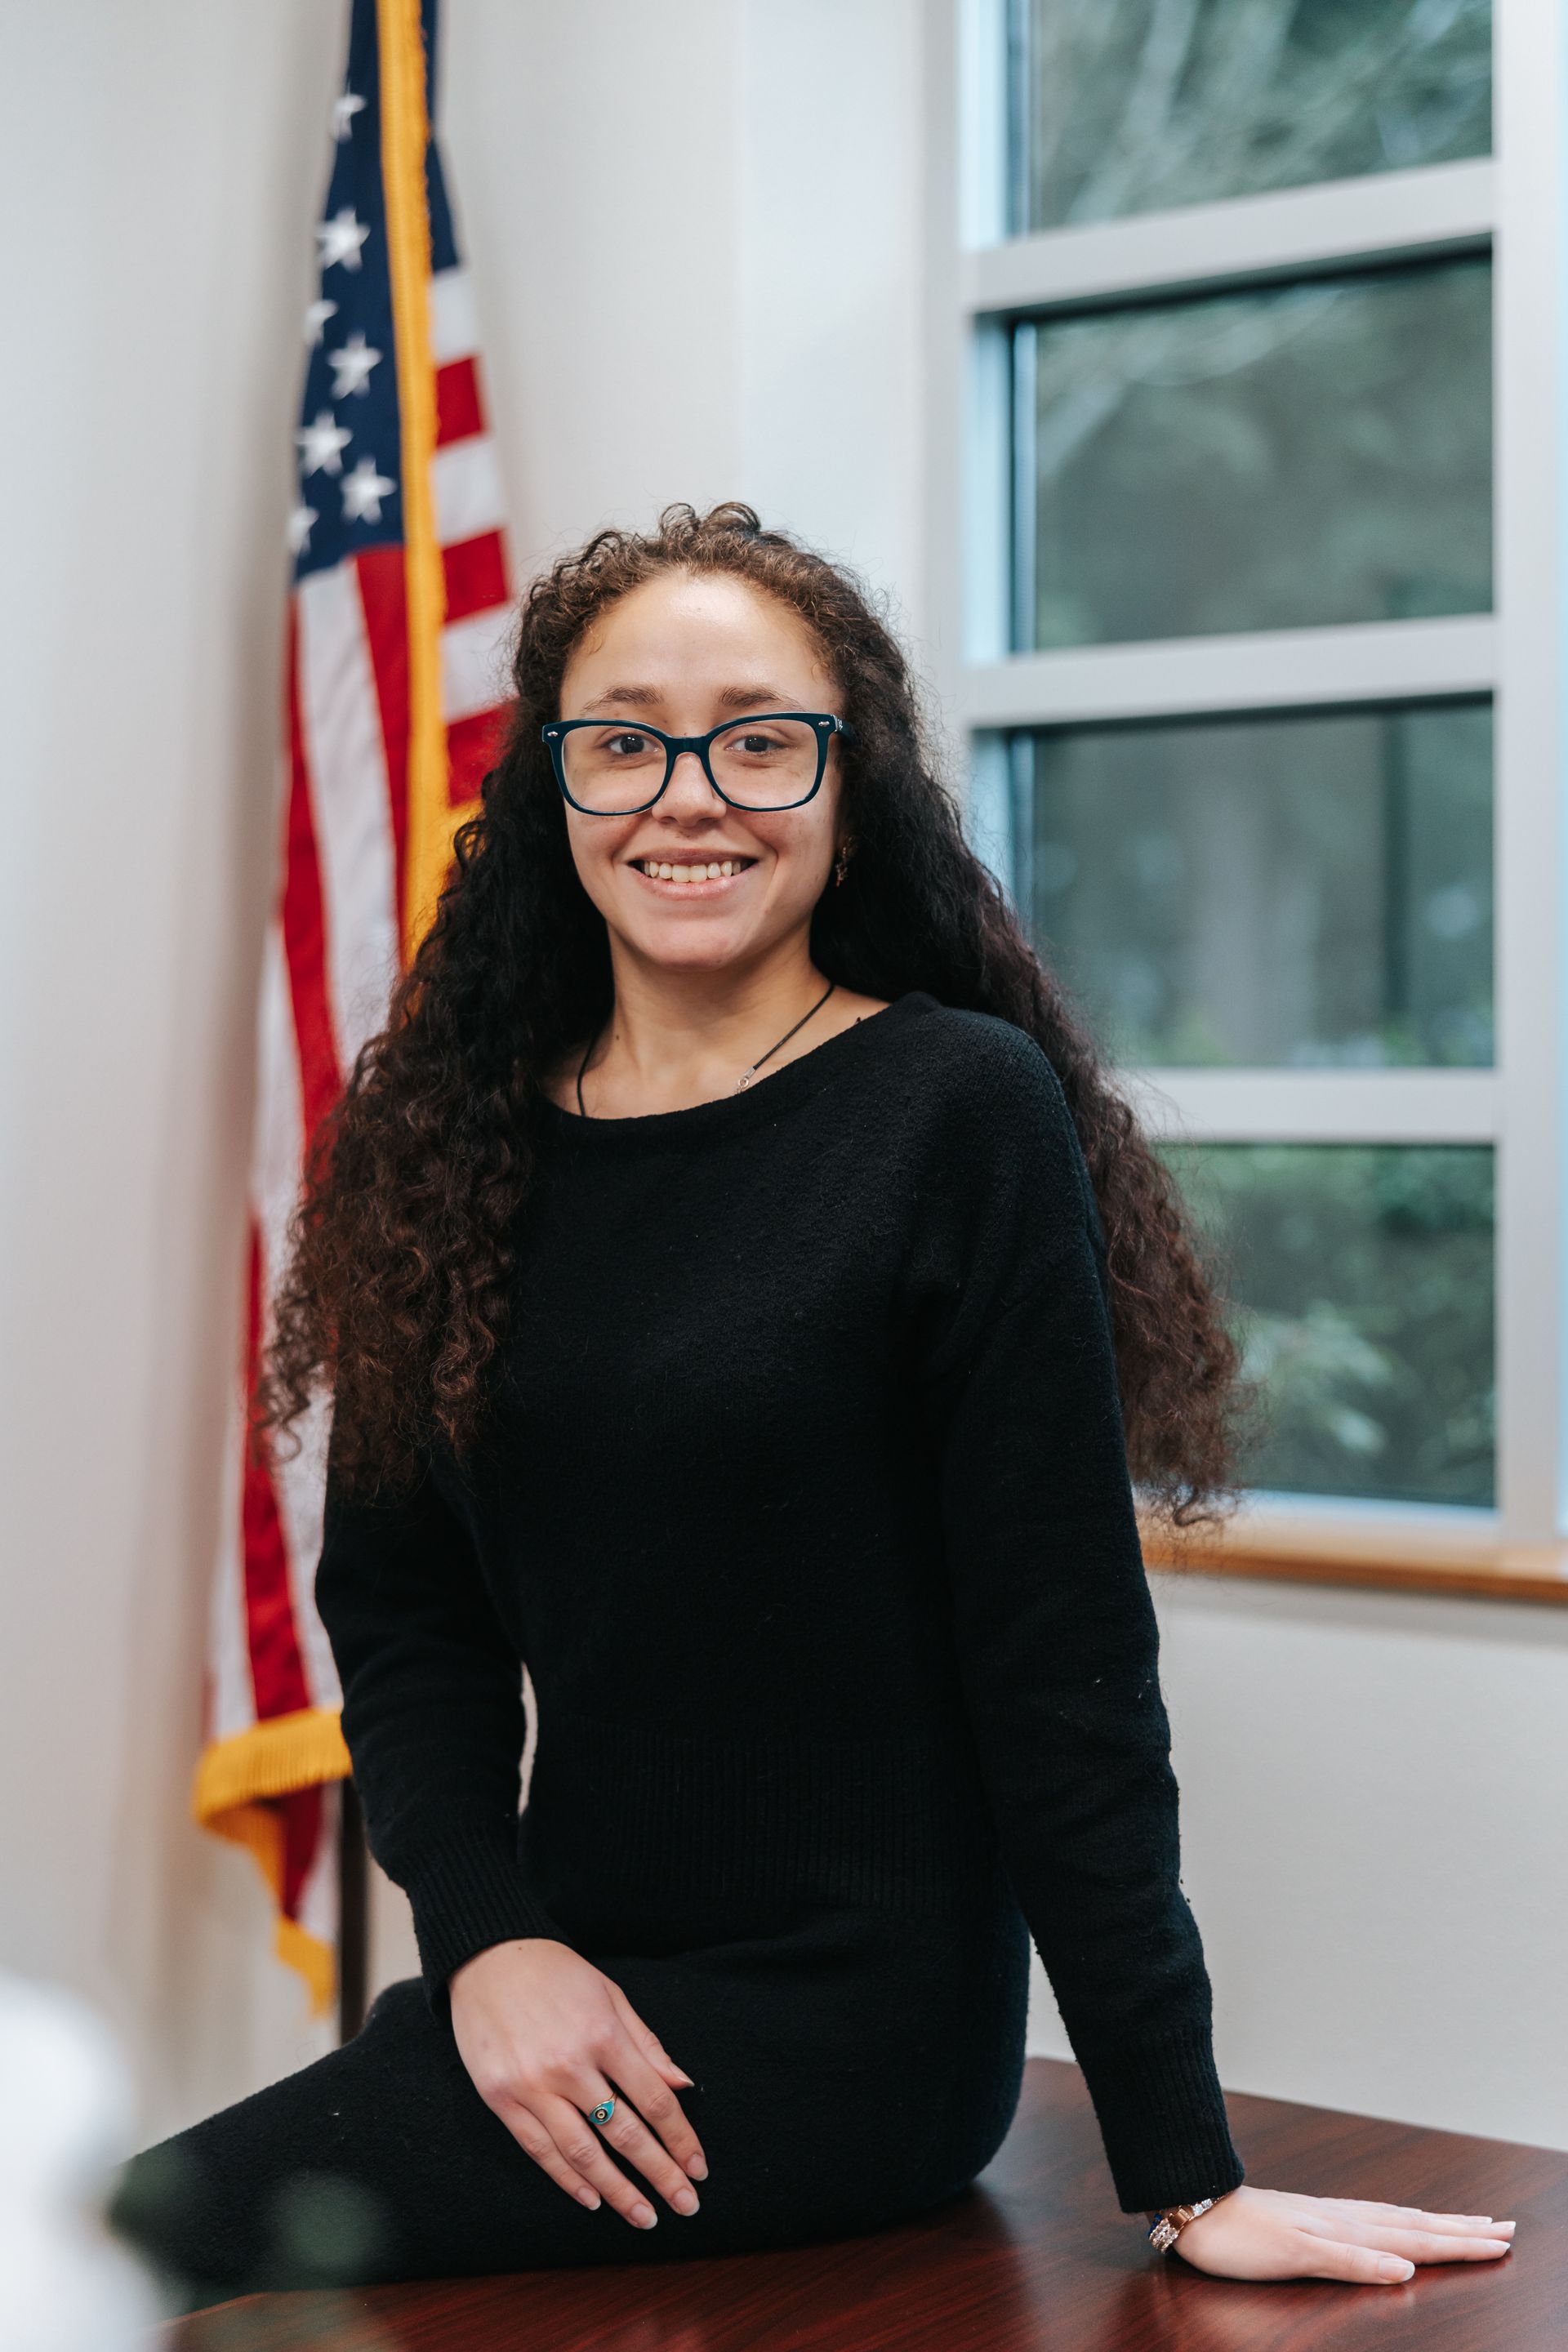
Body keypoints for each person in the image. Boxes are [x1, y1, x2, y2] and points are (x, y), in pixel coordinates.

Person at [109, 501, 1516, 2310]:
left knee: (120, 2243)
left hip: (847, 2036)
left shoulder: (951, 1111)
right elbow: (405, 1615)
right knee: (115, 2245)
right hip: (560, 1978)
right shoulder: (451, 1139)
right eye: (624, 741)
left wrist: (1186, 2169)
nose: (688, 794)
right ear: (548, 784)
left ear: (853, 788)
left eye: (761, 739)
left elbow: (1063, 1669)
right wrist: (489, 1946)